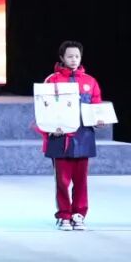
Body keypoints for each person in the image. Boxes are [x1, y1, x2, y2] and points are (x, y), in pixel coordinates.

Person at [41, 40, 105, 231]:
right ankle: (64, 215)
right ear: (62, 57)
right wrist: (50, 127)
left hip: (84, 137)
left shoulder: (90, 81)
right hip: (60, 138)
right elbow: (43, 108)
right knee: (62, 180)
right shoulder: (52, 80)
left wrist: (99, 119)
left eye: (77, 56)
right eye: (70, 56)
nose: (74, 59)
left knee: (81, 180)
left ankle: (79, 214)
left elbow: (96, 105)